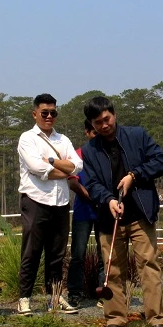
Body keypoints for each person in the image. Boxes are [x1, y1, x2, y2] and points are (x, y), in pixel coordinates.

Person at [81, 96, 163, 327]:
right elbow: (91, 182)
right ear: (92, 124)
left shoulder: (137, 135)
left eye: (107, 119)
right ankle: (116, 319)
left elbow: (161, 161)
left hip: (141, 214)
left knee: (148, 266)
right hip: (109, 218)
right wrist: (108, 199)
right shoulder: (89, 151)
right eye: (97, 122)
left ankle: (157, 319)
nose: (104, 125)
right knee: (113, 271)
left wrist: (135, 175)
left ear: (114, 115)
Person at [17, 94, 82, 315]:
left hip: (61, 202)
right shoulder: (27, 138)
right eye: (44, 112)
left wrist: (53, 162)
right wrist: (64, 170)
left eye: (53, 112)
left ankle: (53, 297)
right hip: (36, 200)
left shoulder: (63, 140)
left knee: (57, 253)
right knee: (31, 252)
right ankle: (24, 298)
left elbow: (77, 166)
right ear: (34, 113)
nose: (49, 116)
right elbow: (37, 168)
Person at [66, 120, 104, 307]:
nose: (97, 136)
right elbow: (73, 183)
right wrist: (94, 197)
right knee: (78, 254)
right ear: (87, 133)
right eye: (94, 132)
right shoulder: (78, 155)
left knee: (104, 254)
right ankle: (74, 293)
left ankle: (104, 294)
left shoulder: (106, 154)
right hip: (83, 212)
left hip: (104, 211)